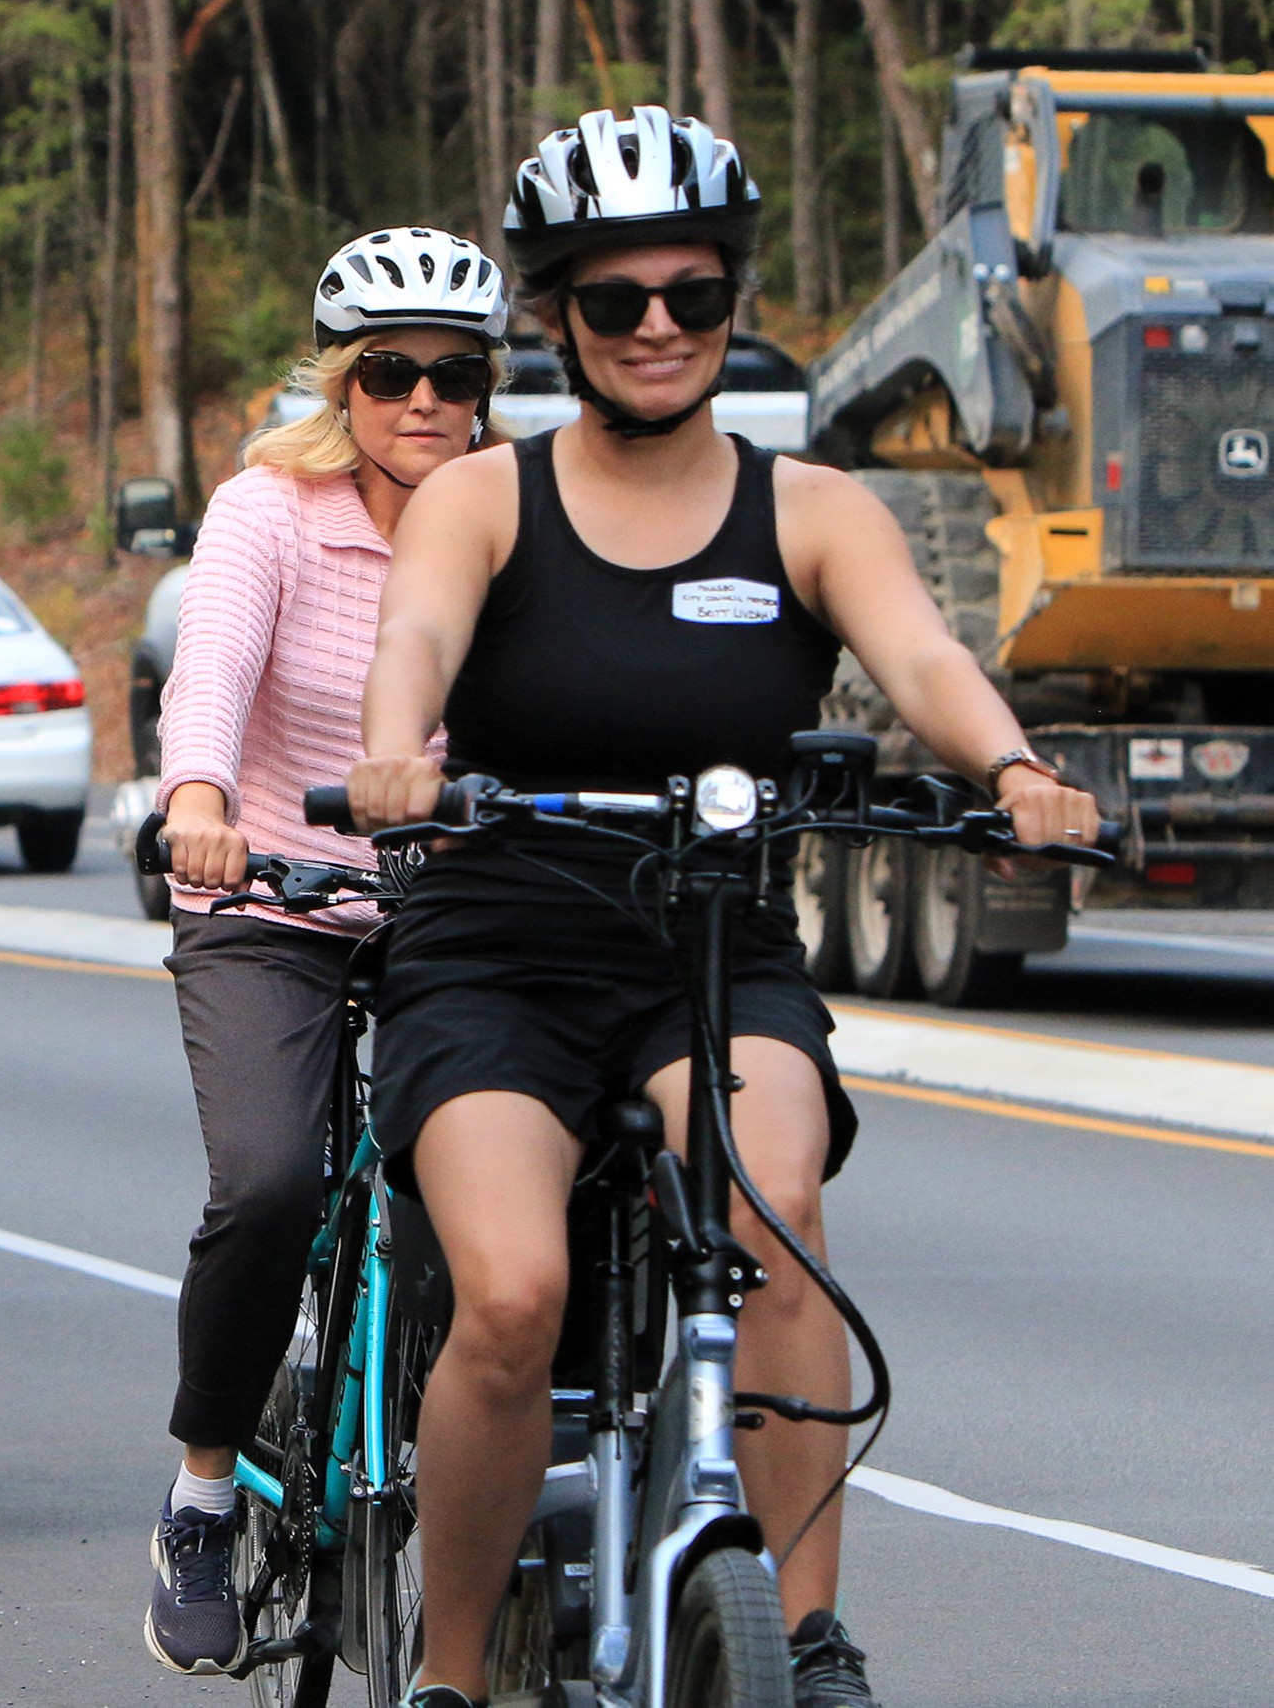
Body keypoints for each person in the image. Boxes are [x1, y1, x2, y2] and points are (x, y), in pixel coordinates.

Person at [345, 107, 1103, 1708]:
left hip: (708, 949)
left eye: (694, 294)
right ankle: (455, 1675)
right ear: (557, 317)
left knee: (774, 1221)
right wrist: (392, 753)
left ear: (734, 301)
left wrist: (1016, 770)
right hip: (496, 953)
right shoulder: (482, 499)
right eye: (616, 301)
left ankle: (809, 1641)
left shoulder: (815, 510)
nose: (659, 328)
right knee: (508, 1291)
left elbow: (922, 663)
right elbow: (412, 640)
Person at [140, 230, 507, 1675]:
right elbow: (212, 664)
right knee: (276, 1179)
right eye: (391, 373)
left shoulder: (513, 516)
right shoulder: (266, 510)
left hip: (456, 909)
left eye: (455, 376)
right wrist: (199, 803)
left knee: (493, 1198)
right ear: (342, 381)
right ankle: (204, 1492)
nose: (423, 400)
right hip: (271, 895)